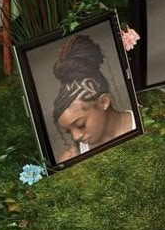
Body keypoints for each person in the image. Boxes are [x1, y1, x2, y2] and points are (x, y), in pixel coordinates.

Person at [52, 34, 136, 162]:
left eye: (80, 125)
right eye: (69, 132)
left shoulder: (143, 121)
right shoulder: (77, 156)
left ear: (103, 102)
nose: (75, 137)